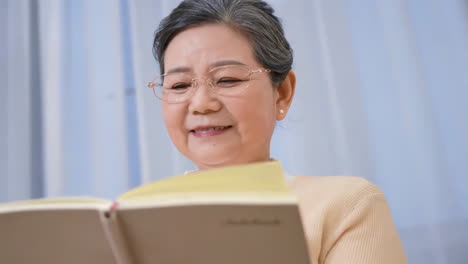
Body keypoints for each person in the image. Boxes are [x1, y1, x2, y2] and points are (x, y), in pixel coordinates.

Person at [148, 0, 408, 263]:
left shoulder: (346, 205)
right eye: (179, 85)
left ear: (282, 94)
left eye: (228, 79)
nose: (202, 104)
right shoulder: (137, 219)